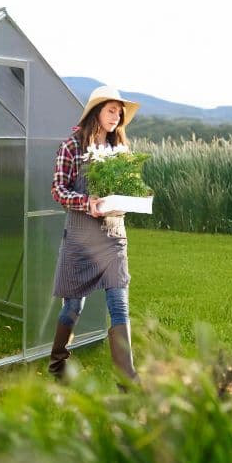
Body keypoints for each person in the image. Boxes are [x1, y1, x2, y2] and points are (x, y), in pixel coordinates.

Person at [49, 85, 141, 383]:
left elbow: (128, 188)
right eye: (111, 110)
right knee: (73, 306)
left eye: (119, 112)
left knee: (119, 304)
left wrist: (125, 201)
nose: (116, 117)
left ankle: (127, 379)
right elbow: (58, 190)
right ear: (96, 111)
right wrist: (85, 202)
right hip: (81, 239)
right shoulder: (72, 145)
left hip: (113, 237)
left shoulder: (121, 150)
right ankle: (58, 364)